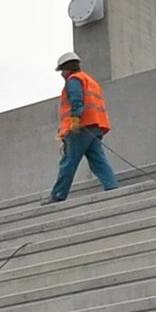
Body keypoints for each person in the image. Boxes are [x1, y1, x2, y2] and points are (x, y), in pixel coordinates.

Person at [41, 52, 119, 204]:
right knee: (98, 160)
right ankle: (112, 187)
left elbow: (76, 100)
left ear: (67, 69)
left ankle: (58, 194)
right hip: (95, 126)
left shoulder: (74, 80)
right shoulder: (90, 81)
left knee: (69, 161)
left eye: (62, 71)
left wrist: (75, 119)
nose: (62, 74)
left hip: (81, 128)